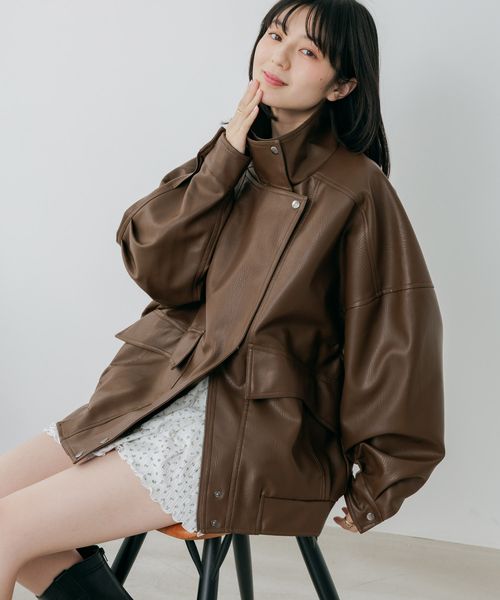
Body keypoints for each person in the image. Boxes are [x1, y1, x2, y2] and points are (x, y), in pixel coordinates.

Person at [0, 1, 444, 598]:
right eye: (275, 34)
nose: (279, 56)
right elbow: (157, 267)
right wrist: (224, 158)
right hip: (158, 393)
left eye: (308, 51)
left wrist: (383, 479)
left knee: (7, 528)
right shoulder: (233, 156)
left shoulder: (357, 188)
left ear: (341, 86)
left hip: (255, 427)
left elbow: (396, 332)